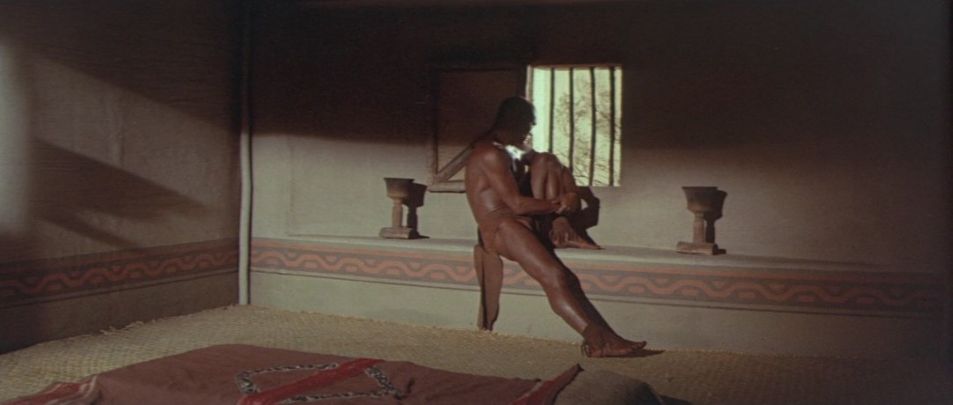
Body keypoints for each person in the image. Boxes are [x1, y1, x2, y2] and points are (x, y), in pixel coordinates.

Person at [464, 96, 646, 357]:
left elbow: (553, 165)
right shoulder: (489, 154)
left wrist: (570, 195)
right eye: (529, 123)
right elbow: (516, 204)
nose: (531, 129)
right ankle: (598, 341)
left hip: (523, 222)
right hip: (501, 227)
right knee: (556, 276)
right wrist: (558, 206)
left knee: (546, 160)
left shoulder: (510, 151)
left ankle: (562, 229)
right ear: (513, 121)